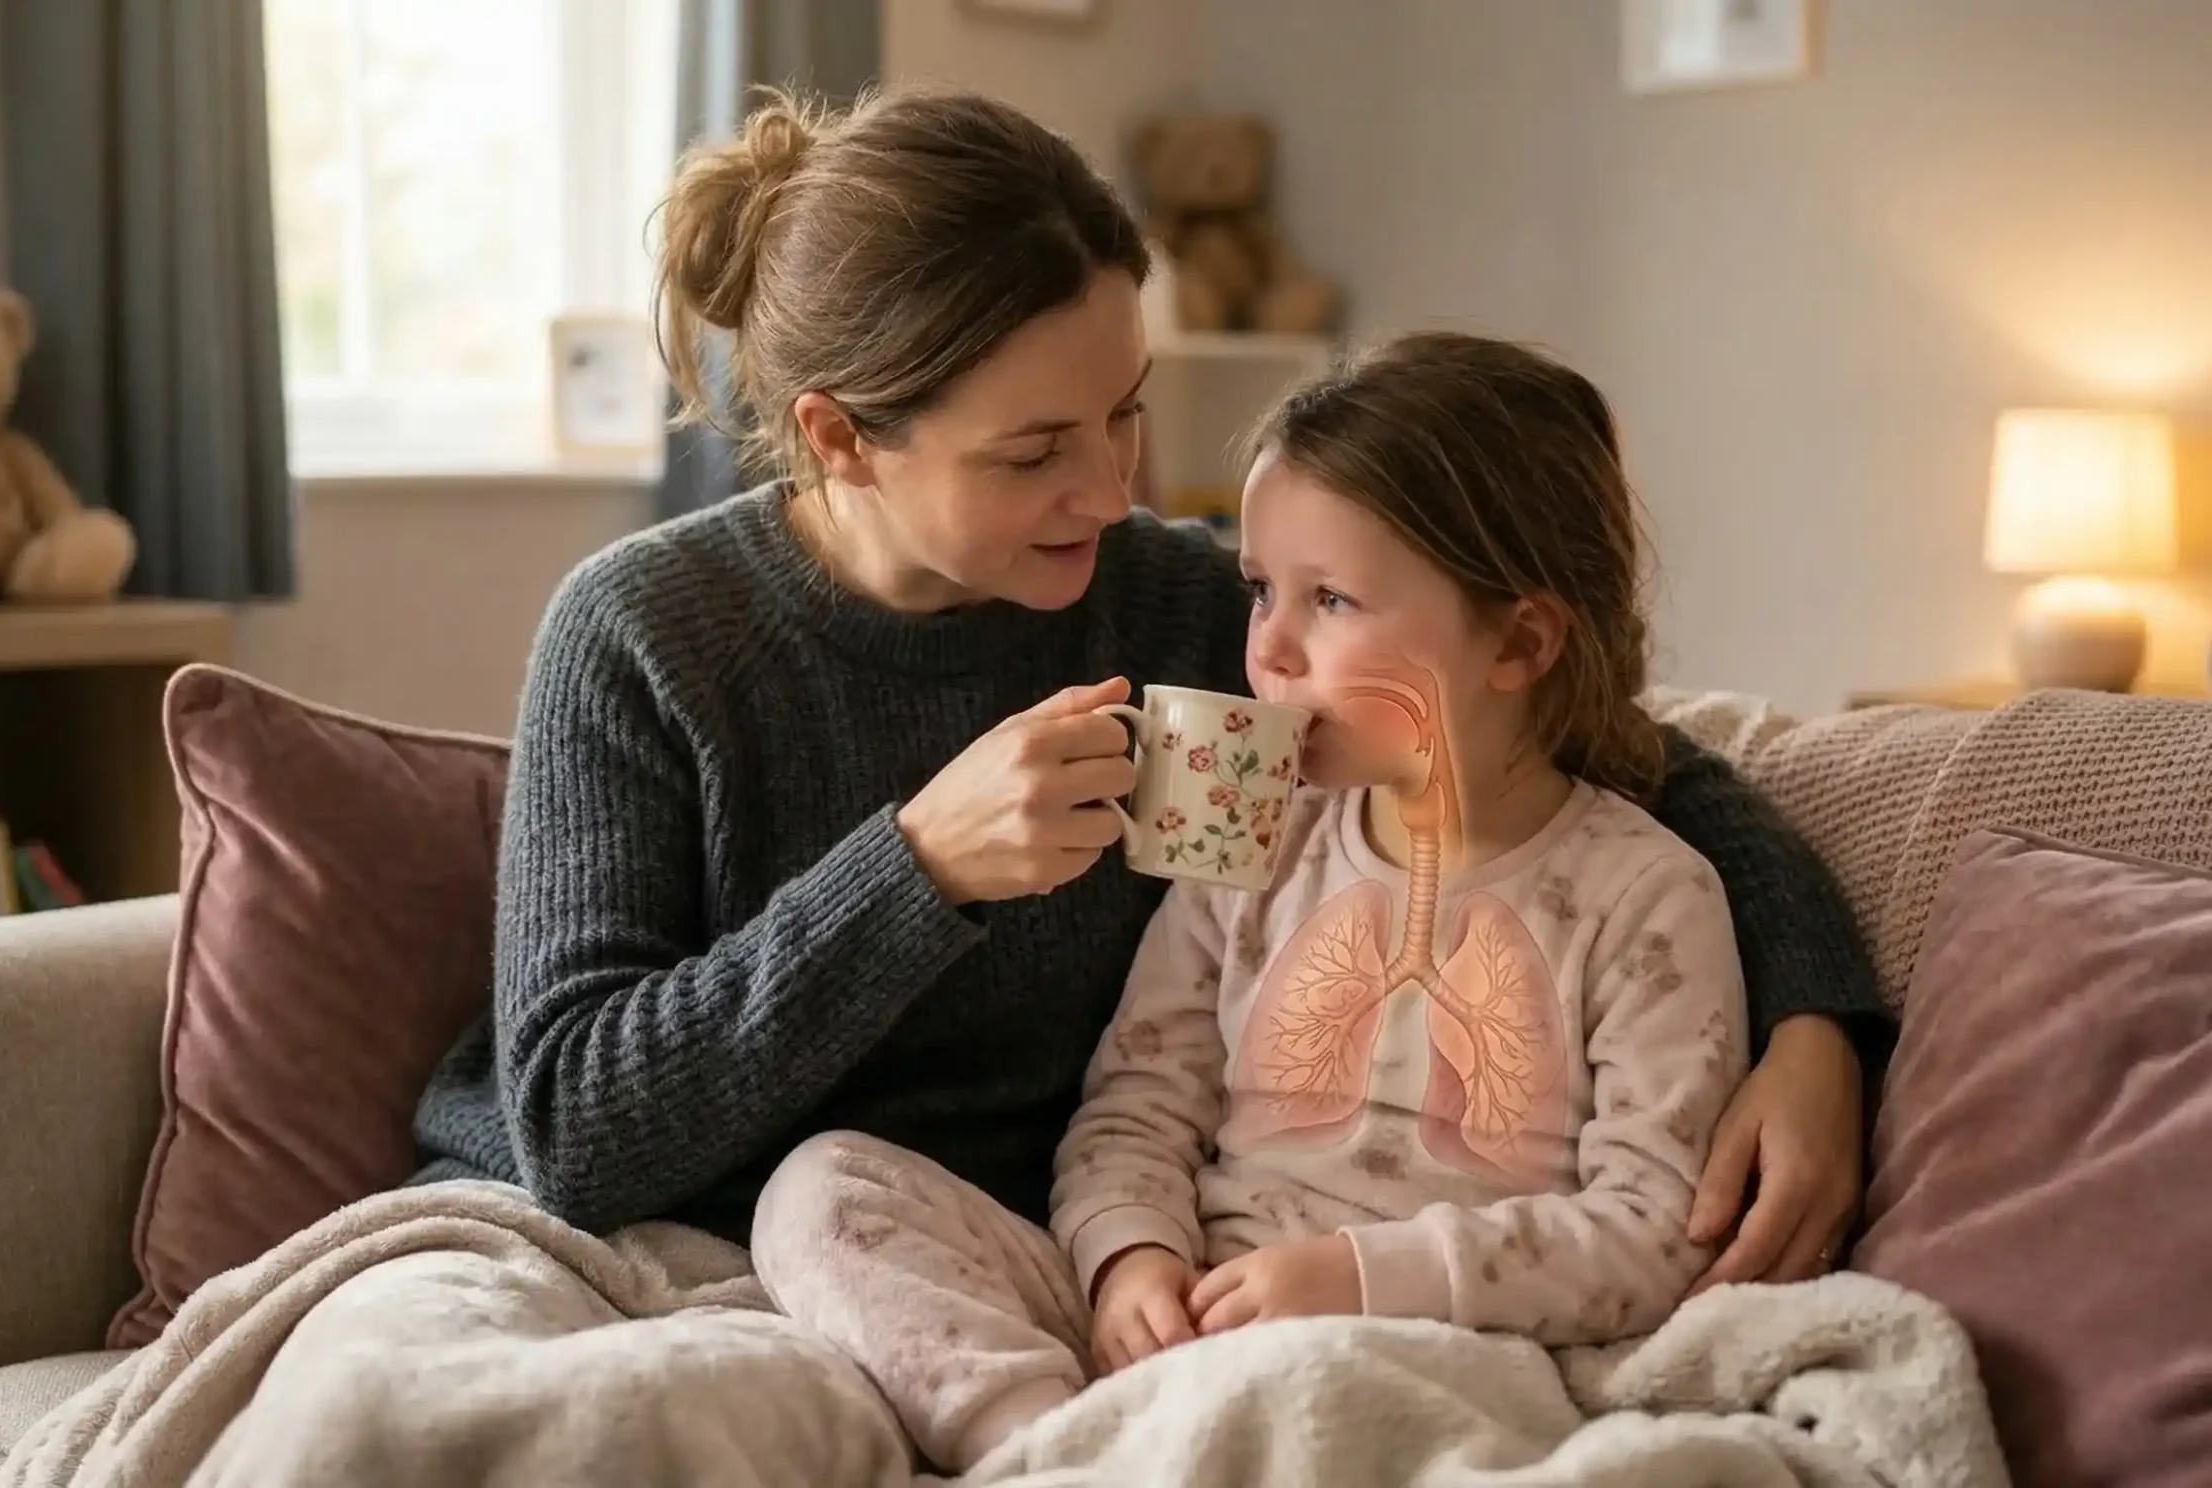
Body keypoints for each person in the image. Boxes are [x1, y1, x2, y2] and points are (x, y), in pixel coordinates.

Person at [411, 82, 1882, 1374]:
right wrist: (916, 871)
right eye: (1037, 450)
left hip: (1088, 1266)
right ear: (839, 436)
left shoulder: (1188, 610)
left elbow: (1623, 761)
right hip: (736, 1233)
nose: (1112, 493)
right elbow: (578, 1132)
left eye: (1125, 412)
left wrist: (1818, 1030)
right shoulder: (644, 636)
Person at [748, 332, 1751, 1472]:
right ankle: (1034, 1445)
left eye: (1330, 600)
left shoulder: (1647, 899)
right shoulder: (1250, 830)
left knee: (1330, 1402)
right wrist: (1129, 1259)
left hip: (1422, 1341)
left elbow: (1648, 1231)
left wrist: (1356, 1282)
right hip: (1179, 1309)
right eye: (1260, 589)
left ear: (1518, 640)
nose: (1267, 649)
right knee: (823, 1187)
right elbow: (1139, 1106)